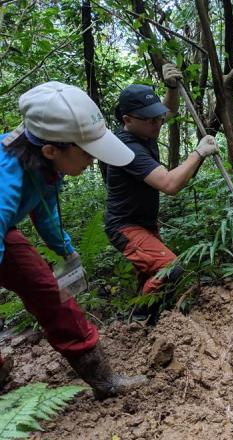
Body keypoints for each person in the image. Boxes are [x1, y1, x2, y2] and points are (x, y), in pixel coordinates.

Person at [0, 81, 147, 398]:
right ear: (51, 149)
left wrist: (66, 250)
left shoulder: (43, 164)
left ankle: (103, 381)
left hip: (4, 230)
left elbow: (46, 210)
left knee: (48, 291)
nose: (94, 161)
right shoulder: (5, 181)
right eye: (88, 153)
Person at [105, 64, 218, 322]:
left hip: (144, 224)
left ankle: (150, 322)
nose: (158, 122)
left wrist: (171, 88)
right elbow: (169, 185)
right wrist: (198, 152)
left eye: (157, 117)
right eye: (151, 119)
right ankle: (139, 319)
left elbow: (169, 109)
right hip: (126, 227)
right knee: (171, 269)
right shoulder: (126, 148)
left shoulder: (144, 128)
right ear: (127, 121)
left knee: (151, 275)